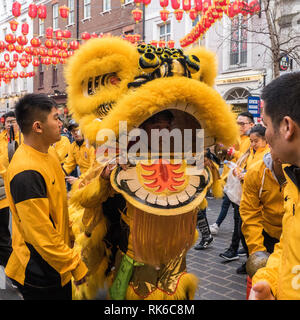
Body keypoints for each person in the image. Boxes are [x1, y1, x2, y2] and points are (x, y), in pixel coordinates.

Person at [4, 93, 88, 300]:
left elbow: (58, 205)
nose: (61, 123)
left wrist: (72, 236)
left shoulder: (49, 153)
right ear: (37, 127)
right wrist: (74, 265)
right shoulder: (26, 171)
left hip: (57, 262)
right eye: (56, 118)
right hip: (40, 269)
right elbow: (41, 236)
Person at [249, 72, 300, 300]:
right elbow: (289, 247)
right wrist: (268, 281)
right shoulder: (294, 178)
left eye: (265, 124)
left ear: (286, 127)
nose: (265, 134)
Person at [219, 125, 269, 272]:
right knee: (243, 230)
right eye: (252, 141)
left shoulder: (267, 155)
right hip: (243, 197)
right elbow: (246, 168)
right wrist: (239, 171)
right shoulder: (250, 153)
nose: (253, 144)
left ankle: (257, 263)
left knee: (256, 233)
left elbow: (261, 175)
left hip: (259, 203)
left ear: (266, 140)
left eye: (256, 141)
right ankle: (251, 261)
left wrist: (247, 175)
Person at [210, 112, 255, 235]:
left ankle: (236, 243)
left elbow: (247, 158)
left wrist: (232, 152)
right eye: (237, 123)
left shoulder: (252, 140)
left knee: (237, 213)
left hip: (242, 180)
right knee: (232, 210)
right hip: (231, 178)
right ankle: (237, 243)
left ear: (251, 124)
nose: (239, 126)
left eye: (242, 124)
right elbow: (226, 156)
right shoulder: (236, 137)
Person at [0, 111, 21, 267]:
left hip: (23, 186)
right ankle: (10, 268)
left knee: (23, 229)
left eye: (13, 121)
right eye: (8, 122)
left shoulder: (25, 139)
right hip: (4, 188)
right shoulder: (0, 139)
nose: (10, 124)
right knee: (5, 233)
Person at [63, 121, 96, 186]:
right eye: (73, 131)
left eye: (77, 130)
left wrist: (79, 179)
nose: (75, 133)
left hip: (95, 180)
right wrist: (60, 174)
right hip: (84, 180)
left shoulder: (91, 145)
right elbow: (69, 164)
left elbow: (94, 168)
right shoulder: (73, 146)